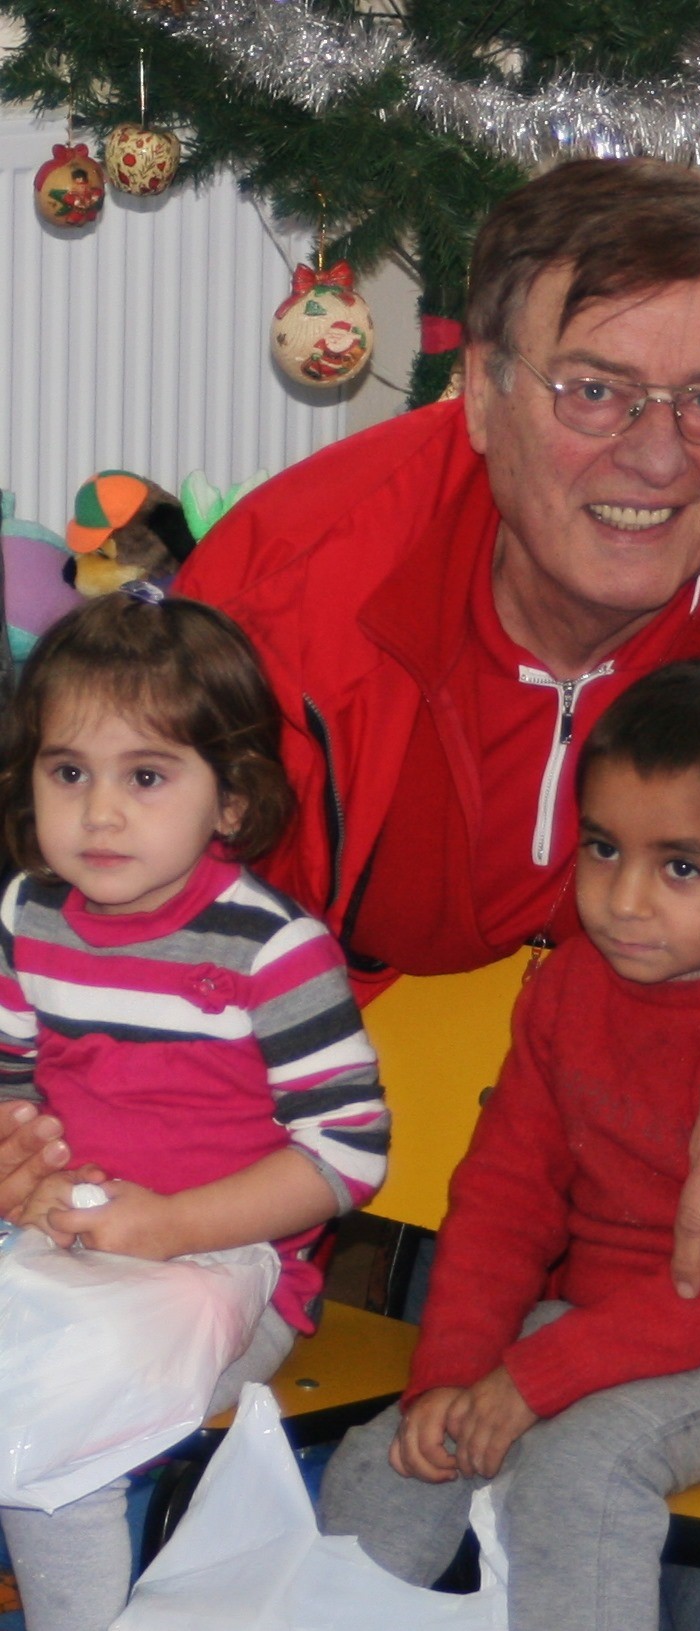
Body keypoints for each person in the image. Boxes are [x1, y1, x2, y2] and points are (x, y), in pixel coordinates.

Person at [0, 155, 700, 1625]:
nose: (658, 454)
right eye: (595, 389)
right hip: (490, 1258)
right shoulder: (302, 576)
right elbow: (134, 924)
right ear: (479, 393)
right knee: (350, 1521)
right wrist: (39, 1131)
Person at [320, 656, 700, 1631]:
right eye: (603, 847)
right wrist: (453, 1376)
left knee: (580, 1468)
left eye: (680, 866)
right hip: (594, 1327)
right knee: (396, 1454)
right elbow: (504, 1196)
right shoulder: (567, 987)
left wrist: (533, 1378)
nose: (625, 897)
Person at [0, 589, 389, 1631]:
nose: (100, 811)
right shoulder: (29, 914)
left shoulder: (272, 949)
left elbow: (349, 1153)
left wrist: (169, 1225)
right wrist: (18, 1165)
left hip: (228, 1267)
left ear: (231, 801)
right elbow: (9, 1081)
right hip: (58, 1248)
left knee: (64, 1429)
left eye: (146, 775)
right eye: (68, 771)